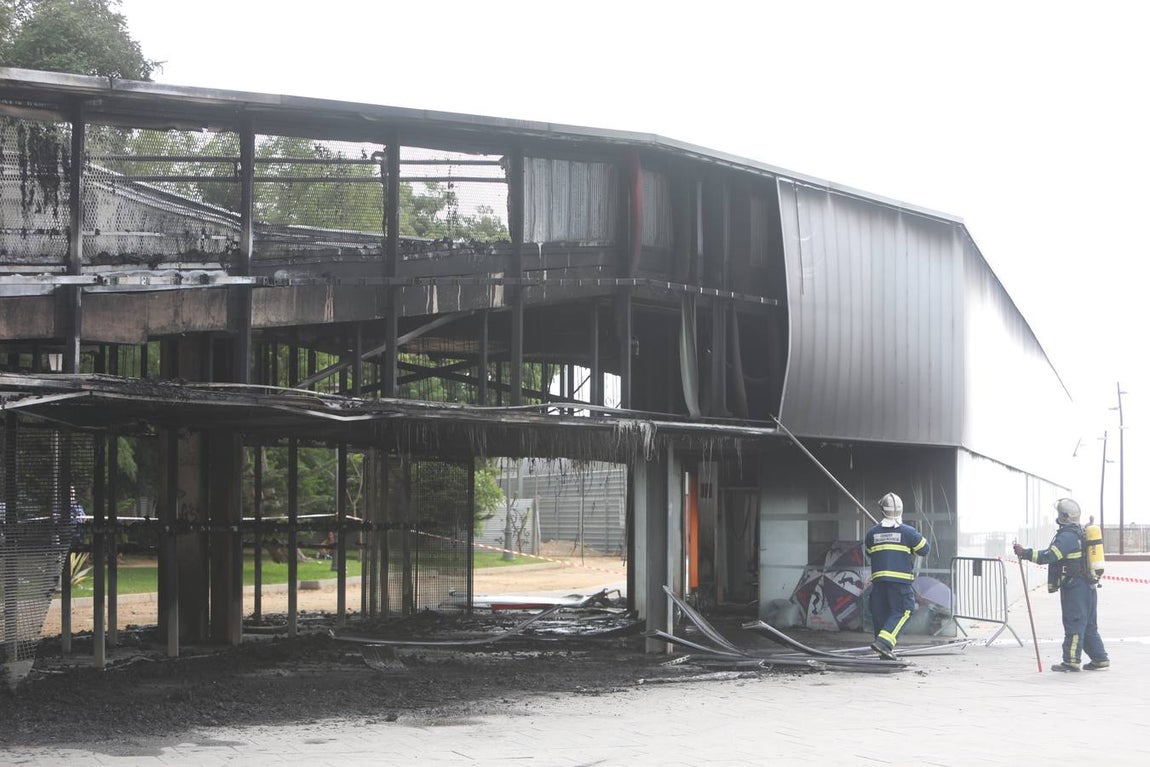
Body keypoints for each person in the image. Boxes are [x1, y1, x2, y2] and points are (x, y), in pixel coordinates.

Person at [1013, 498, 1110, 672]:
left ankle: (1071, 661)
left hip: (1075, 587)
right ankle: (1099, 658)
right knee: (1087, 624)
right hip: (1088, 585)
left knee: (1074, 622)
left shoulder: (1067, 536)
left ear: (1064, 516)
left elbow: (1049, 556)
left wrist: (1025, 553)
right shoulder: (1081, 531)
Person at [864, 492, 930, 660]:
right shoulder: (908, 532)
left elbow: (869, 553)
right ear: (901, 510)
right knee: (904, 611)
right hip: (899, 583)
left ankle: (883, 651)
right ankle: (884, 644)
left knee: (881, 613)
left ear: (882, 510)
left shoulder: (872, 534)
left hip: (878, 583)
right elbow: (924, 549)